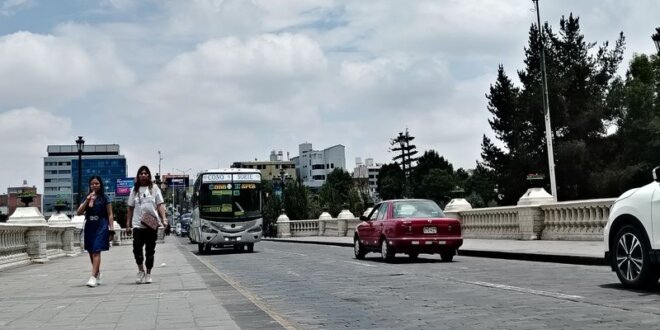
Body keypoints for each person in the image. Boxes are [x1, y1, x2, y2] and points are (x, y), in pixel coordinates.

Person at [126, 165, 168, 284]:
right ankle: (141, 271)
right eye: (141, 173)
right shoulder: (134, 190)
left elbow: (160, 205)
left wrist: (164, 219)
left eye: (145, 173)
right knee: (137, 249)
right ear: (138, 176)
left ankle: (149, 273)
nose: (143, 175)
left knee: (150, 250)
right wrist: (128, 224)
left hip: (151, 223)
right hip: (138, 224)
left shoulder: (154, 188)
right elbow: (130, 208)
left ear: (149, 175)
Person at [76, 175, 114, 287]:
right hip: (90, 225)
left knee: (97, 250)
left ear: (100, 184)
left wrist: (111, 229)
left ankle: (92, 277)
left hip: (101, 225)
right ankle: (97, 273)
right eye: (92, 183)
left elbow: (110, 214)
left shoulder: (105, 198)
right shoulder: (87, 197)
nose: (94, 185)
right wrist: (87, 200)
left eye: (96, 183)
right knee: (91, 251)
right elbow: (78, 212)